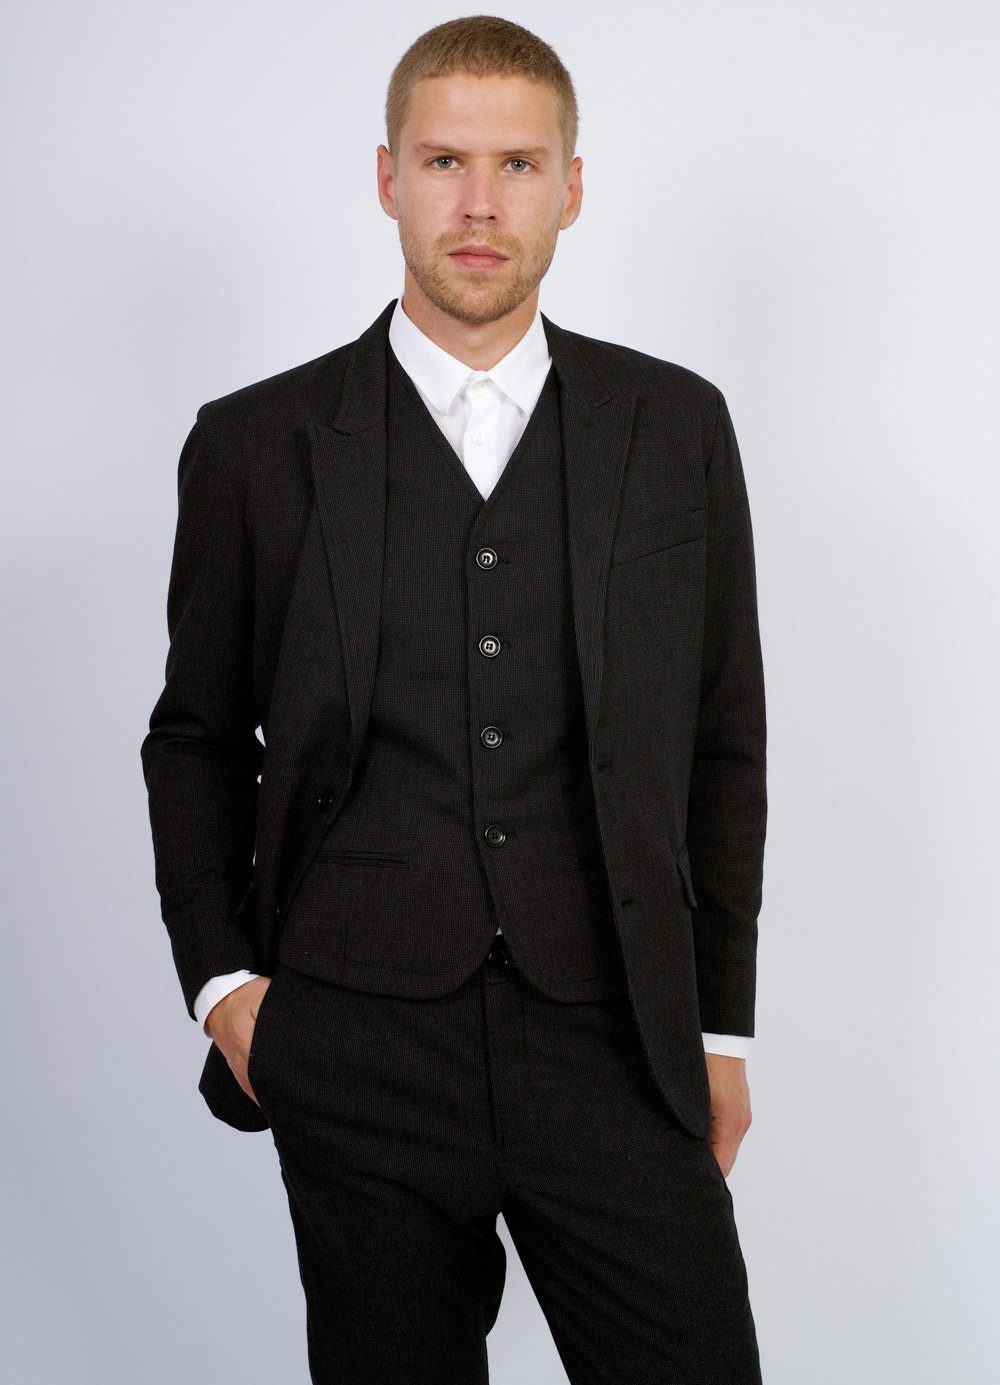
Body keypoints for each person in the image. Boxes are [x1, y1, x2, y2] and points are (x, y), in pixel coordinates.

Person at [140, 14, 767, 1383]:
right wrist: (227, 987)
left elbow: (724, 744)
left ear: (571, 188)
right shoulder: (255, 444)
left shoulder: (674, 428)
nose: (479, 205)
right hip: (356, 1040)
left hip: (616, 1035)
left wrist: (721, 1026)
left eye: (518, 165)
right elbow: (196, 737)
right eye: (443, 161)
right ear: (387, 177)